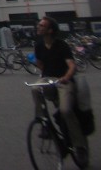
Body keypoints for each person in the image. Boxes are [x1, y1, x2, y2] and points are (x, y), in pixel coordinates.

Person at [32, 16, 88, 168]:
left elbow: (71, 65)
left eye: (42, 25)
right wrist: (46, 75)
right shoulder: (39, 45)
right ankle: (43, 121)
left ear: (50, 30)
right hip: (49, 79)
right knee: (35, 88)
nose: (39, 27)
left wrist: (65, 78)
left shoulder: (61, 45)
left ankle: (79, 145)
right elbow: (39, 63)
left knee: (65, 110)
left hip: (63, 80)